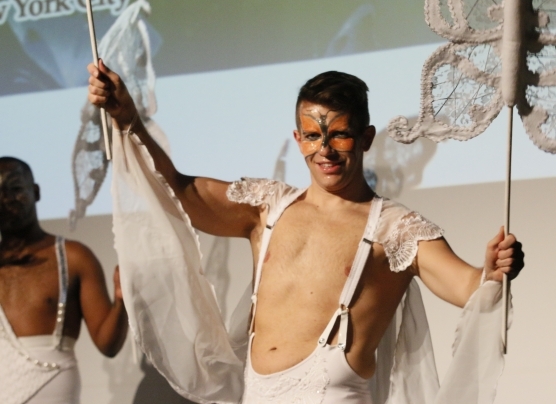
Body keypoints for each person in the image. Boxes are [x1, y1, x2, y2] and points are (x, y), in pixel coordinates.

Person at [87, 61, 524, 404]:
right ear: (298, 138)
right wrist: (130, 120)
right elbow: (179, 190)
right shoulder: (267, 208)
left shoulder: (395, 229)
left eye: (340, 135)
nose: (325, 150)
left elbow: (468, 286)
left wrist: (492, 270)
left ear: (367, 137)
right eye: (314, 136)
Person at [0, 157, 129, 404]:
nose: (5, 199)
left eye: (15, 188)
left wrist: (121, 301)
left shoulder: (74, 257)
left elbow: (108, 345)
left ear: (35, 191)